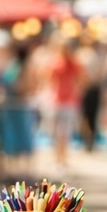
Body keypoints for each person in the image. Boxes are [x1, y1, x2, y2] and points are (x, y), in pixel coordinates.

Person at [43, 36, 84, 168]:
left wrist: (75, 89)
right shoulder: (54, 62)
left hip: (69, 102)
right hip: (56, 101)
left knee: (65, 133)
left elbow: (83, 78)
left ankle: (63, 158)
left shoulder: (74, 63)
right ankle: (57, 158)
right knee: (56, 132)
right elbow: (47, 78)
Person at [0, 43, 36, 173]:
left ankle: (23, 169)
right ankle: (13, 168)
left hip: (18, 106)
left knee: (22, 136)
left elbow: (27, 87)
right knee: (12, 136)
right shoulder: (14, 65)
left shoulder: (23, 67)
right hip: (11, 106)